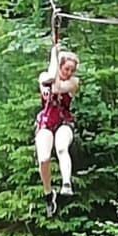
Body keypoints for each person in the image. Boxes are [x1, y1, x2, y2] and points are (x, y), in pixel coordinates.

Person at [34, 45, 80, 213]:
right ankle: (48, 193)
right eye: (66, 68)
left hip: (63, 120)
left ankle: (66, 184)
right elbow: (51, 82)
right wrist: (54, 54)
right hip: (46, 120)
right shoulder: (44, 76)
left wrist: (56, 60)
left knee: (61, 147)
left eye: (72, 70)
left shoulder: (73, 82)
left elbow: (58, 88)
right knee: (43, 159)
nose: (69, 73)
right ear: (59, 66)